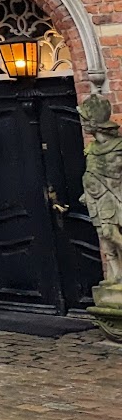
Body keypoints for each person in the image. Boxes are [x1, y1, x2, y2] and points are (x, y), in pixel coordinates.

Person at [80, 94, 122, 287]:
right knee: (105, 239)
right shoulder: (91, 148)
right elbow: (91, 172)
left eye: (85, 119)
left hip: (112, 196)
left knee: (111, 233)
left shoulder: (118, 147)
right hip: (95, 197)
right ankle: (115, 275)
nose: (82, 123)